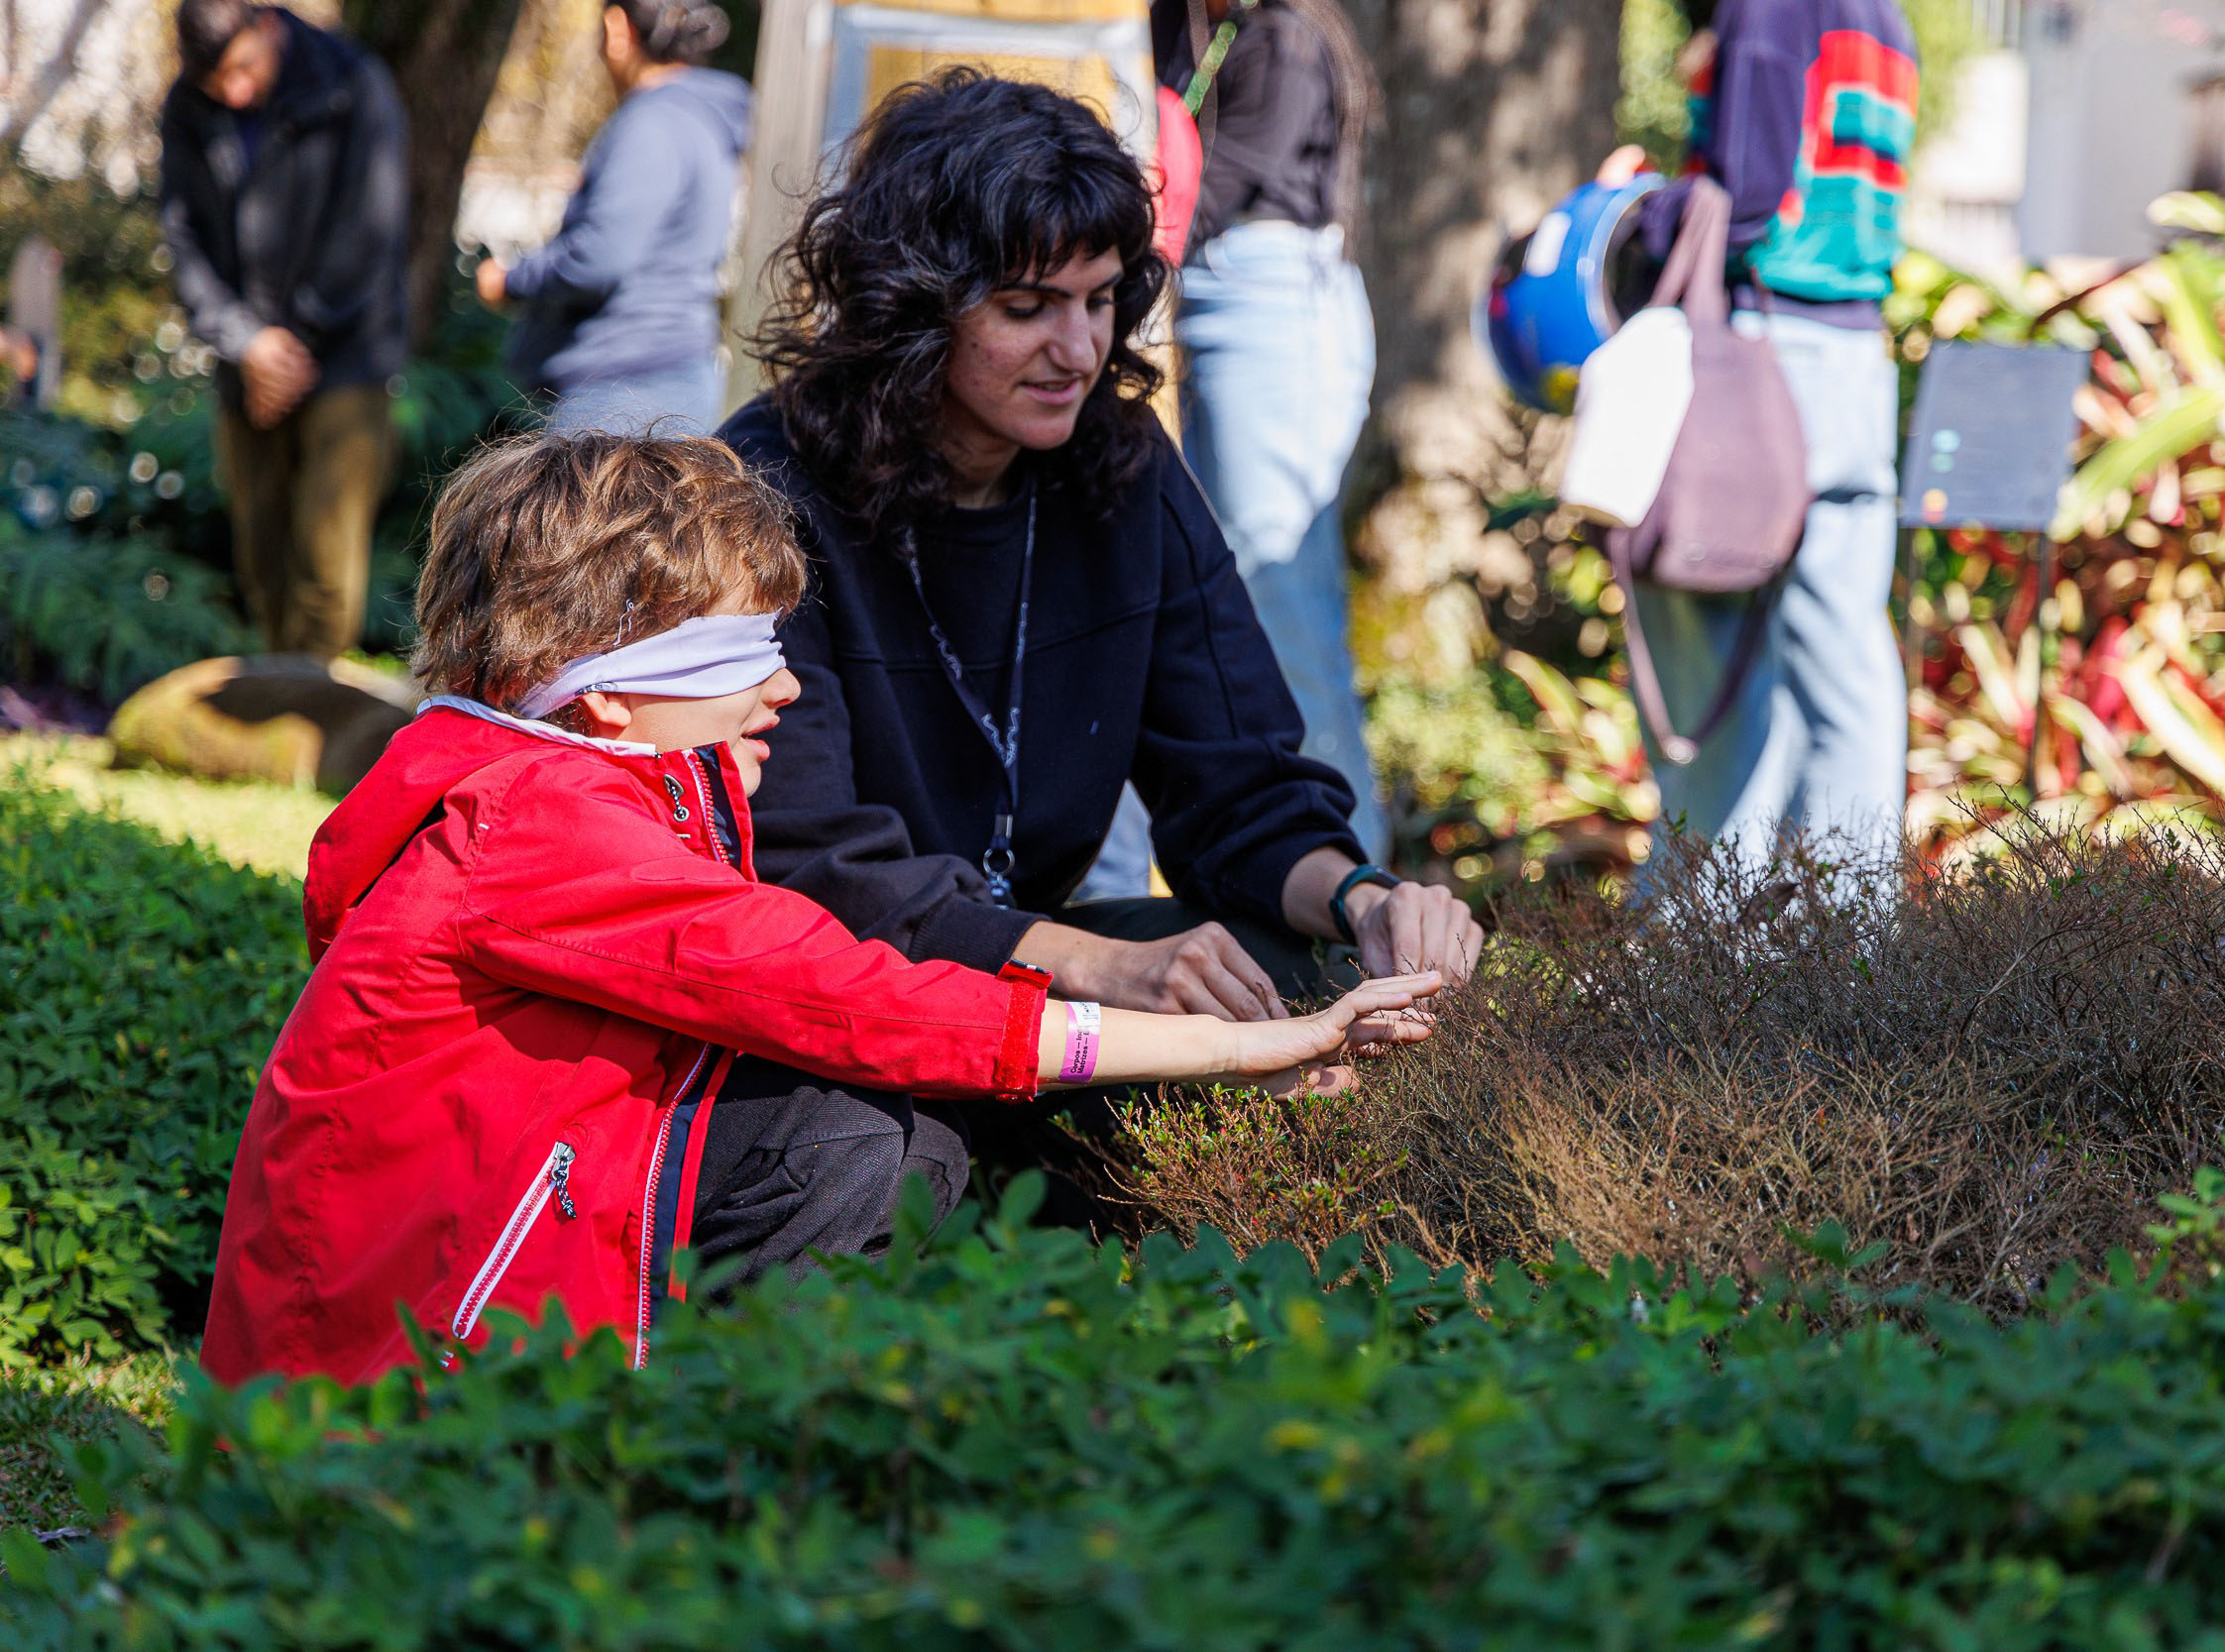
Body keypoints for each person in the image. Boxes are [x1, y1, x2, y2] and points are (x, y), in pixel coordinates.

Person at [199, 430, 1441, 1386]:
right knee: (854, 1135)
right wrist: (1242, 1045)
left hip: (440, 1312)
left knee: (879, 1127)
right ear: (605, 690)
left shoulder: (539, 785)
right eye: (737, 656)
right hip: (383, 1391)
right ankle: (724, 1472)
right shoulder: (542, 826)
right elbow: (856, 998)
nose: (784, 687)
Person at [717, 72, 1479, 1211]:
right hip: (845, 1002)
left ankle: (1231, 1251)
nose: (1077, 348)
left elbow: (1240, 785)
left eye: (1102, 298)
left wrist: (1366, 900)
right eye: (1028, 307)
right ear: (911, 308)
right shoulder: (766, 488)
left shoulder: (1121, 468)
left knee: (1331, 985)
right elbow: (813, 869)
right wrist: (1106, 968)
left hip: (1043, 980)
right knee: (878, 1141)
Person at [1602, 0, 1917, 872]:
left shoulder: (1770, 7)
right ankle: (1852, 931)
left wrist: (1641, 207)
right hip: (1853, 352)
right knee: (1843, 668)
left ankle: (1704, 934)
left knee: (1713, 665)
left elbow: (1744, 204)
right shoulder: (1885, 16)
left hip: (1761, 358)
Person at [1087, 0, 1387, 896]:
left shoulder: (1284, 36)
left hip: (1268, 307)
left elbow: (1214, 189)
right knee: (1198, 597)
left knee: (1281, 611)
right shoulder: (1178, 24)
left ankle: (1356, 899)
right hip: (1201, 301)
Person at [159, 0, 407, 661]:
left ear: (266, 25)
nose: (235, 92)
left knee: (326, 561)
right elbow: (183, 239)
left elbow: (371, 230)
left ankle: (311, 702)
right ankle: (276, 692)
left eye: (244, 68)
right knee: (261, 551)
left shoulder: (353, 84)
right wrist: (248, 343)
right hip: (246, 363)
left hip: (347, 356)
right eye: (218, 82)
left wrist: (288, 347)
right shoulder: (187, 105)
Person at [478, 2, 749, 435]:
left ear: (617, 28)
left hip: (621, 396)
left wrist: (511, 279)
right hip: (673, 381)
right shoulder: (703, 118)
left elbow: (599, 258)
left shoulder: (652, 123)